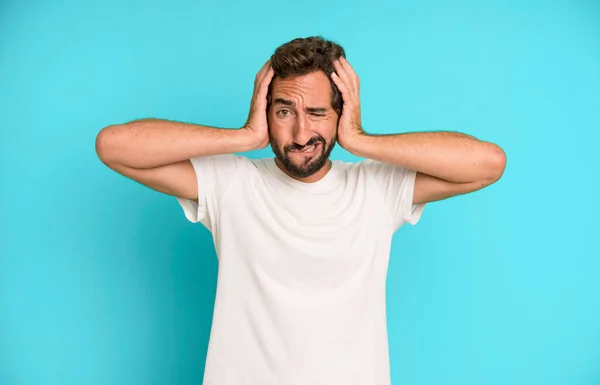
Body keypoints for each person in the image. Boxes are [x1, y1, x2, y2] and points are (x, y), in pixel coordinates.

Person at [95, 36, 506, 385]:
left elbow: (488, 163)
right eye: (284, 112)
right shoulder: (232, 184)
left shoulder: (377, 188)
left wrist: (361, 141)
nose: (301, 134)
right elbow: (113, 147)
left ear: (340, 114)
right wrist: (244, 136)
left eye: (317, 113)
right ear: (266, 112)